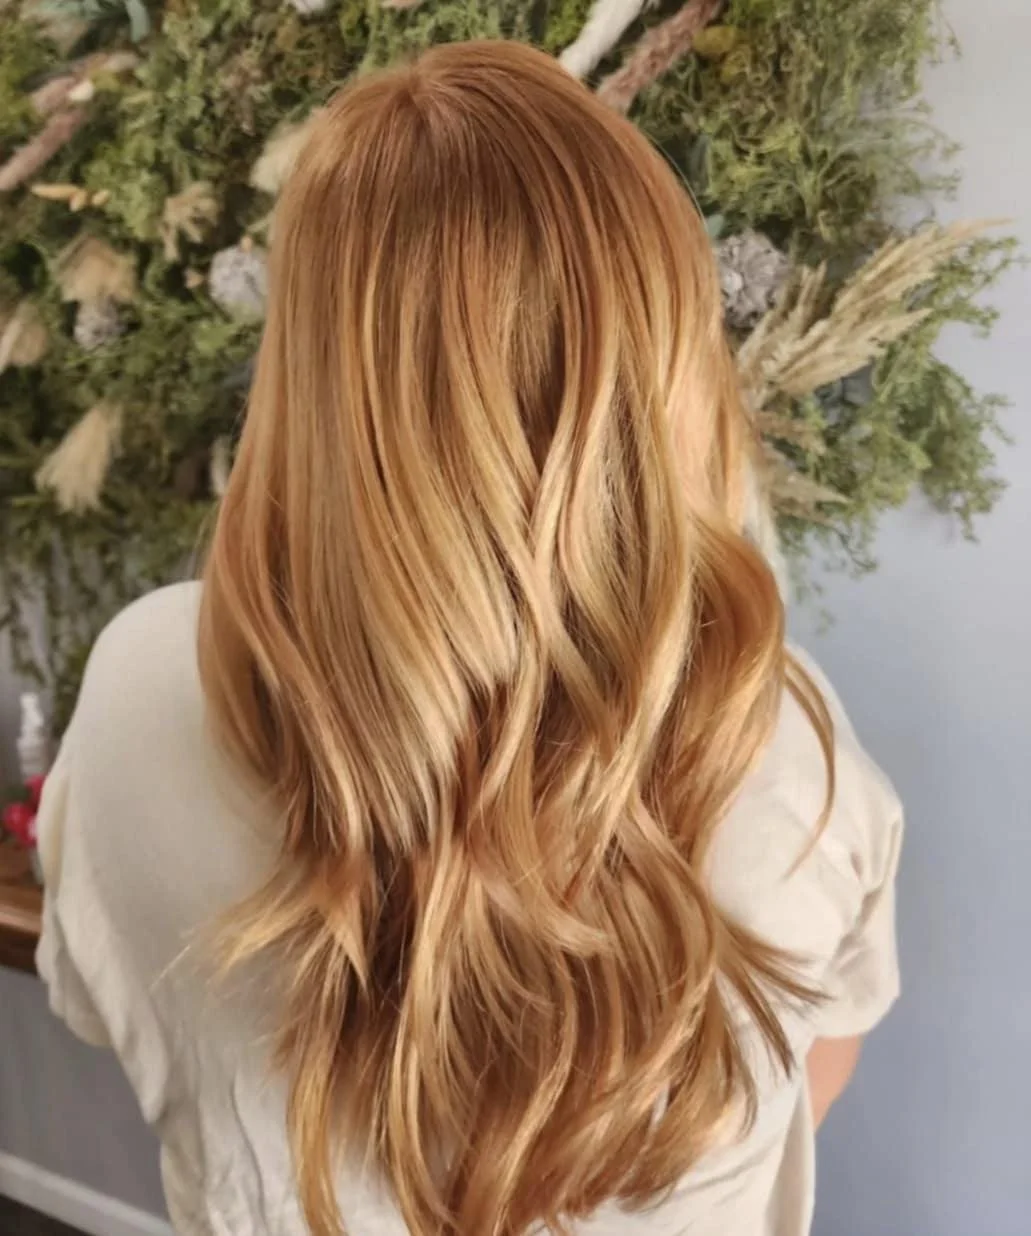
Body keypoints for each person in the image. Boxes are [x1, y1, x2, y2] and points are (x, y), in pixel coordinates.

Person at [36, 40, 902, 1236]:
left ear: (305, 368)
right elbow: (815, 1064)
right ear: (665, 368)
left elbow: (97, 997)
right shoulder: (782, 749)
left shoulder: (139, 682)